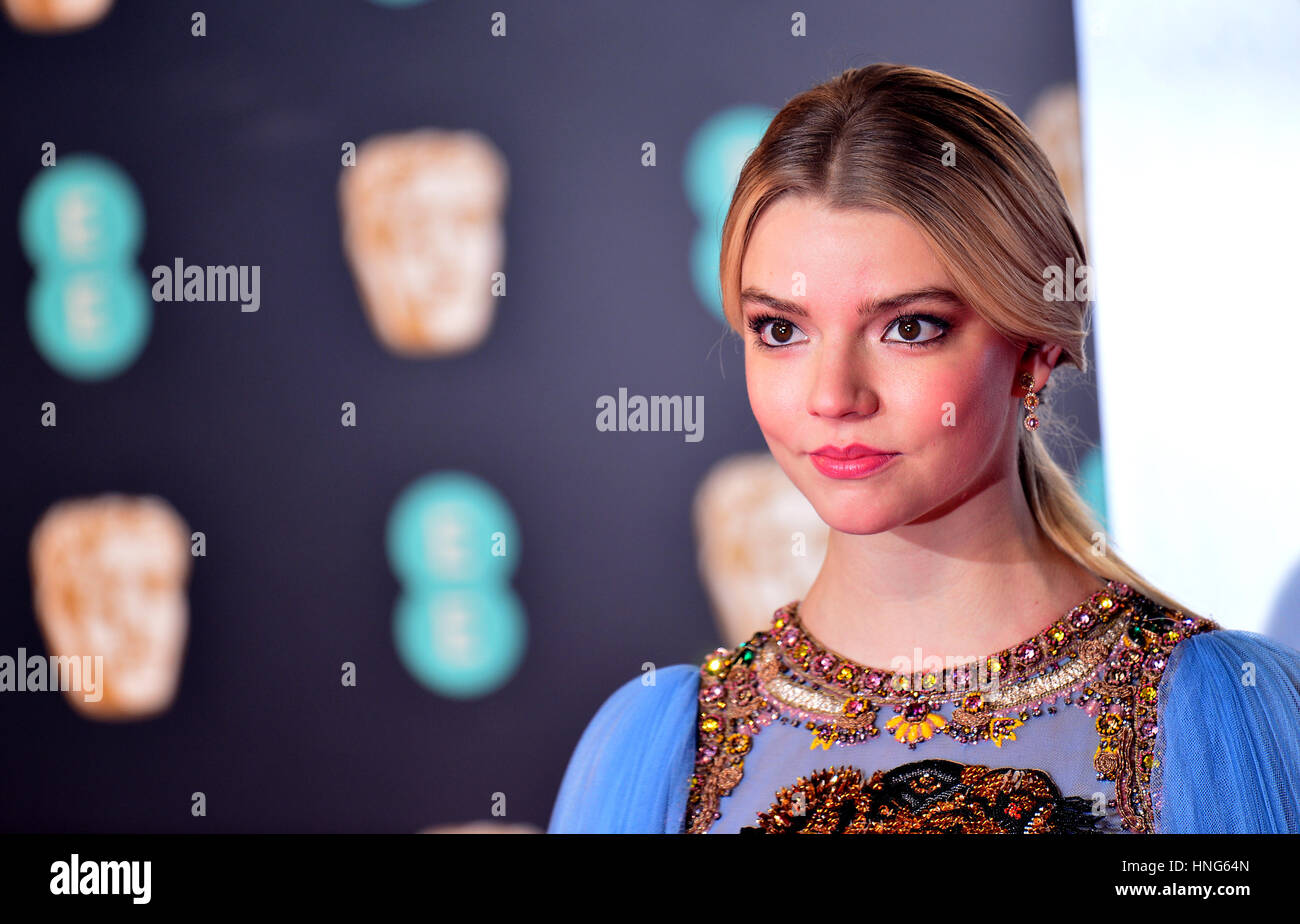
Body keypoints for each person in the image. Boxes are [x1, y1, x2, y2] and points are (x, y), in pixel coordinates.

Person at [548, 63, 1300, 834]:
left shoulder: (1212, 723)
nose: (835, 395)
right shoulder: (665, 754)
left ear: (1033, 350)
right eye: (781, 330)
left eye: (909, 327)